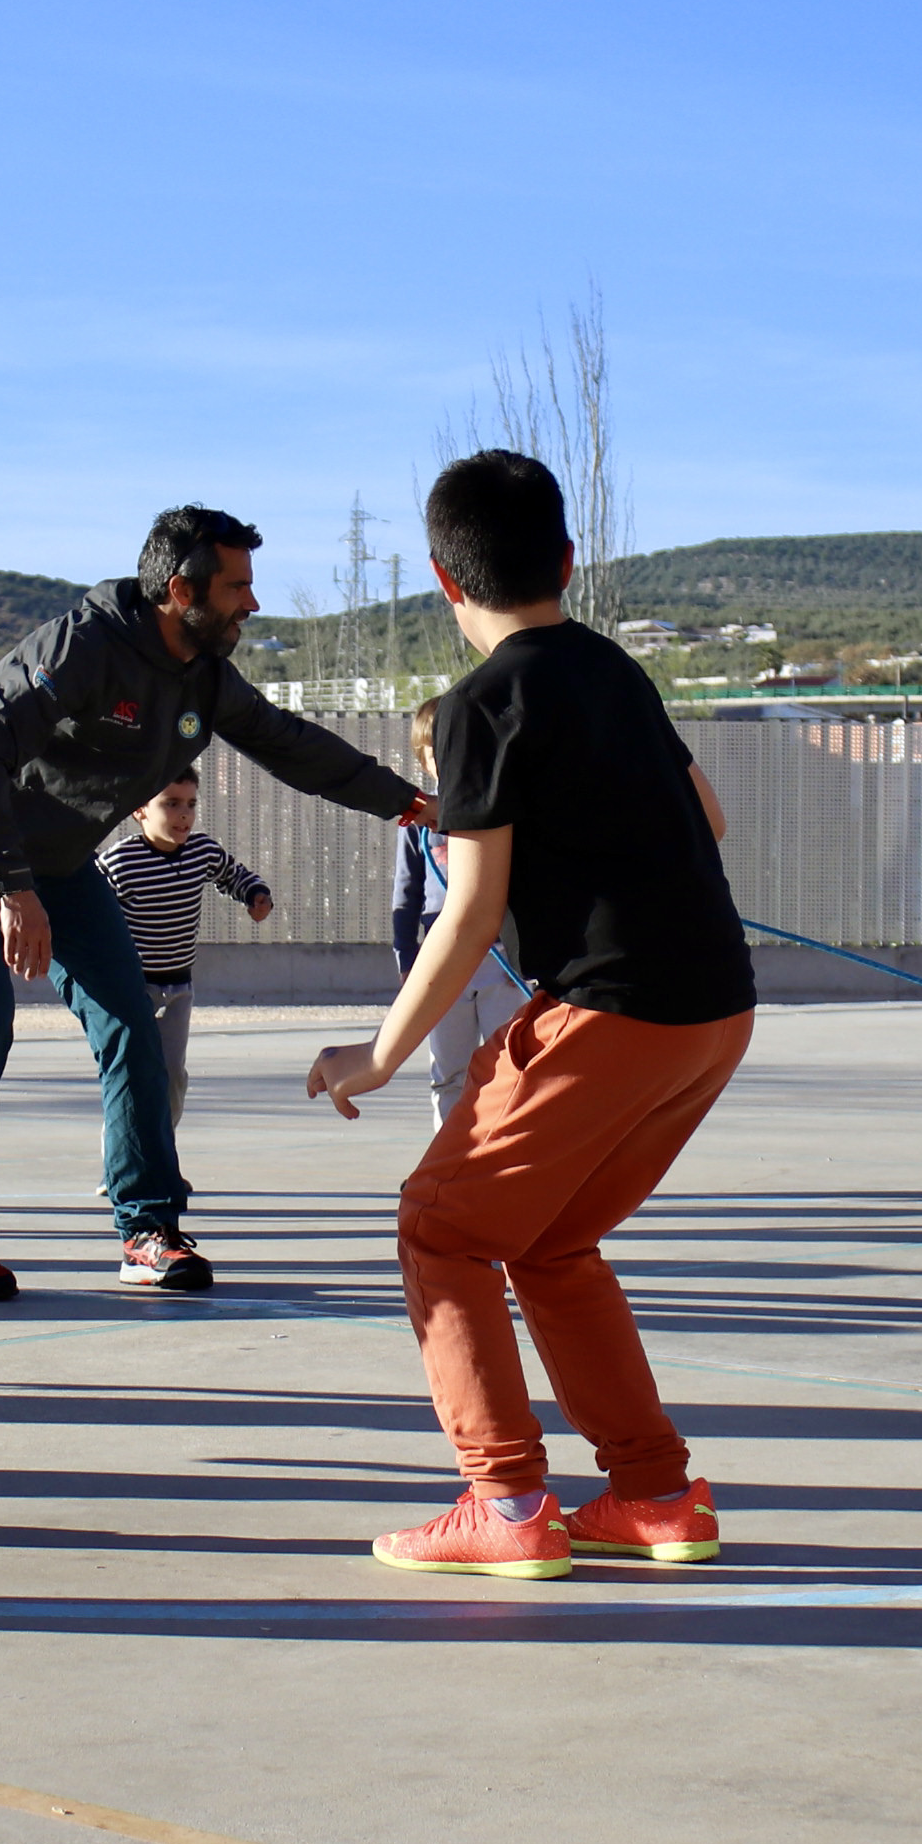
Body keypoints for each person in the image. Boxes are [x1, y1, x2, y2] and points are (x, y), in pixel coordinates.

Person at [308, 450, 752, 1580]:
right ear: (566, 558)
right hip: (714, 1010)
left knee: (441, 1226)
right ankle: (655, 1492)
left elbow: (468, 913)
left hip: (609, 1009)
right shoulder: (616, 671)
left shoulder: (476, 707)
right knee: (551, 1240)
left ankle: (504, 1498)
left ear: (443, 582)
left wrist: (377, 1053)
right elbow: (709, 814)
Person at [0, 506, 430, 1303]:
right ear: (180, 590)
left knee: (133, 1023)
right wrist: (12, 888)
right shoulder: (79, 649)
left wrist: (406, 802)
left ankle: (147, 1229)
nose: (250, 605)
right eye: (236, 588)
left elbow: (291, 743)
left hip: (59, 857)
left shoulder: (204, 677)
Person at [95, 775, 273, 1126]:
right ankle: (120, 1164)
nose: (184, 815)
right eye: (171, 804)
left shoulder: (201, 851)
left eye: (191, 804)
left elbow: (233, 875)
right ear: (140, 809)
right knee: (130, 1075)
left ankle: (162, 1154)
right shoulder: (121, 862)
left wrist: (256, 895)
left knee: (172, 1075)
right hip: (132, 989)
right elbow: (91, 909)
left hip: (178, 989)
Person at [387, 695, 503, 1130]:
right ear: (424, 758)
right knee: (448, 1070)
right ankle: (444, 1166)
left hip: (499, 958)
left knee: (504, 1069)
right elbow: (406, 894)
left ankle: (495, 1164)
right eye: (435, 751)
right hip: (441, 960)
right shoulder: (416, 820)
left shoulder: (498, 811)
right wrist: (406, 958)